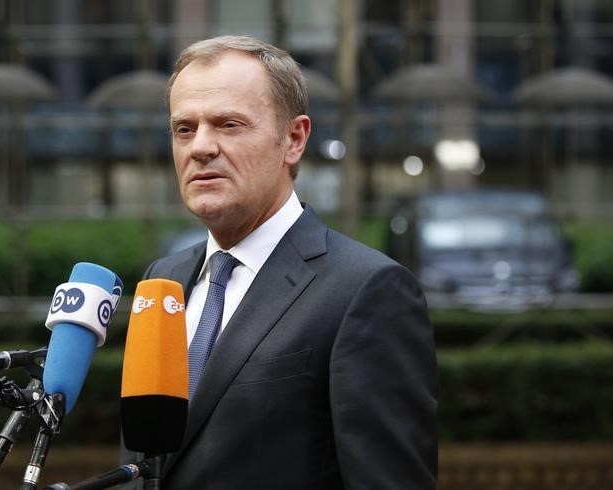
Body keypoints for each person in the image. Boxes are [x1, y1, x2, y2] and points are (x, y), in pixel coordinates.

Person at [127, 35, 438, 489]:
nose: (201, 147)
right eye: (184, 129)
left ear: (293, 140)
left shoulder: (367, 290)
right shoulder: (162, 281)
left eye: (229, 124)